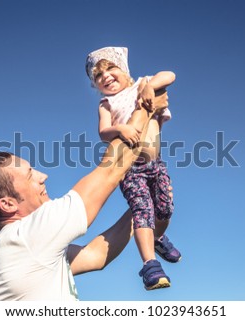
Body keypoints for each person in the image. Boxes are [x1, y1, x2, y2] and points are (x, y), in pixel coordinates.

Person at [0, 89, 170, 300]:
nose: (43, 176)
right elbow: (112, 169)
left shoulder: (22, 247)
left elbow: (95, 256)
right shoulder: (27, 237)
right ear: (7, 205)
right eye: (29, 175)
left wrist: (142, 205)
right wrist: (147, 107)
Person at [85, 46, 181, 291]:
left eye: (110, 69)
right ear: (96, 85)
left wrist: (149, 87)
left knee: (165, 209)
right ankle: (150, 264)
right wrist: (121, 129)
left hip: (155, 164)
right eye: (98, 76)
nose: (105, 77)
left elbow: (169, 75)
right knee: (142, 210)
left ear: (123, 69)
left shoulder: (142, 85)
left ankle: (158, 238)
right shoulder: (106, 104)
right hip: (130, 170)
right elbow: (103, 132)